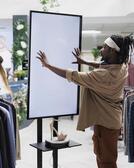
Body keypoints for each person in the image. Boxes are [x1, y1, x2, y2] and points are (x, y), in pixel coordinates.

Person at [37, 34, 134, 168]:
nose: (101, 49)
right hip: (111, 120)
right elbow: (104, 65)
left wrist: (48, 65)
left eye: (105, 47)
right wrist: (84, 62)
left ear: (112, 51)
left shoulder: (102, 75)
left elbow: (71, 75)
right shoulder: (122, 67)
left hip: (105, 123)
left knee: (106, 162)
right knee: (105, 158)